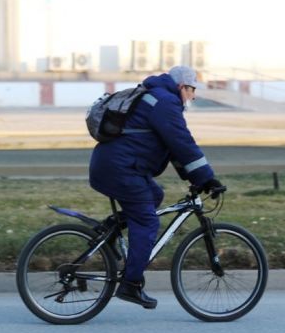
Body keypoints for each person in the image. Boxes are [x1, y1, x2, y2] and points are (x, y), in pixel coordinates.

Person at [89, 65, 223, 309]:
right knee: (148, 221)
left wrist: (196, 178)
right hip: (121, 169)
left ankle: (111, 229)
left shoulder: (156, 96)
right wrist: (207, 177)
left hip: (117, 166)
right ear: (182, 86)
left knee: (154, 195)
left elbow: (172, 147)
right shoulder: (164, 102)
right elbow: (182, 142)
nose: (193, 96)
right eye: (192, 90)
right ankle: (131, 284)